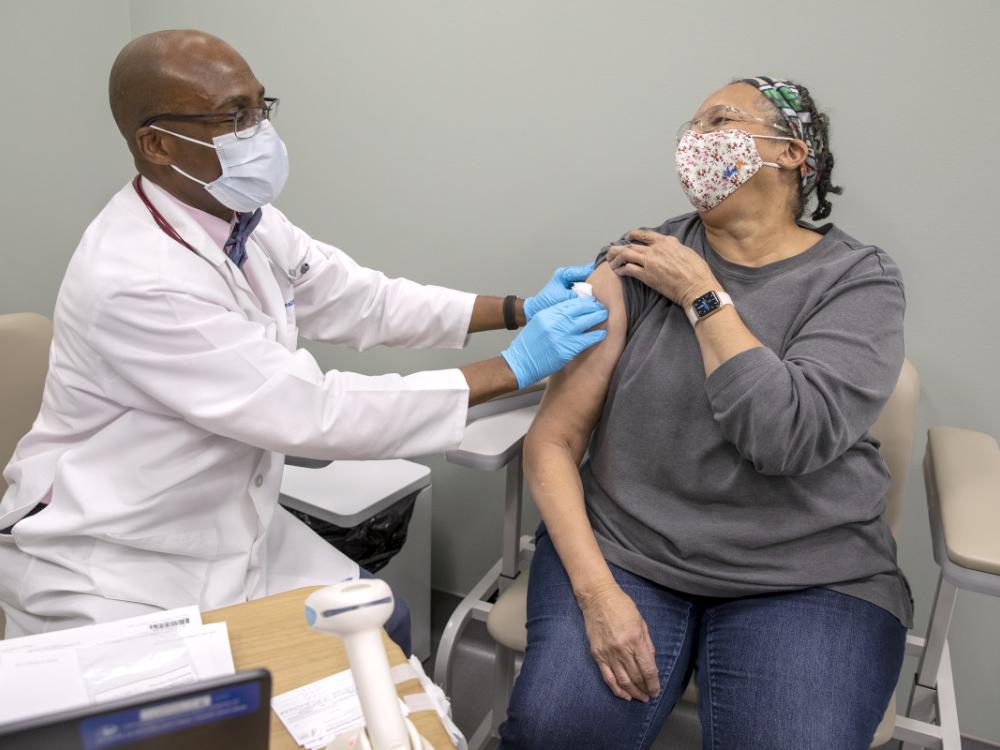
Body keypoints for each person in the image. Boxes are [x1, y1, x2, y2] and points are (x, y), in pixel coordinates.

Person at [0, 30, 608, 652]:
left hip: (225, 525)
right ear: (156, 144)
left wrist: (515, 309)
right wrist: (516, 366)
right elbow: (314, 412)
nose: (258, 132)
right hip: (121, 558)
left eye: (260, 108)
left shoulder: (241, 219)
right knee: (220, 718)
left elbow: (363, 300)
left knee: (385, 621)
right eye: (234, 117)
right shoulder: (135, 279)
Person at [501, 77, 911, 749]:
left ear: (791, 153)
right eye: (691, 126)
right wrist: (599, 596)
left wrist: (702, 294)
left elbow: (785, 438)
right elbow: (553, 441)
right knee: (555, 731)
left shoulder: (856, 281)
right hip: (630, 552)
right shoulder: (636, 262)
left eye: (719, 120)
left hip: (807, 573)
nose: (695, 141)